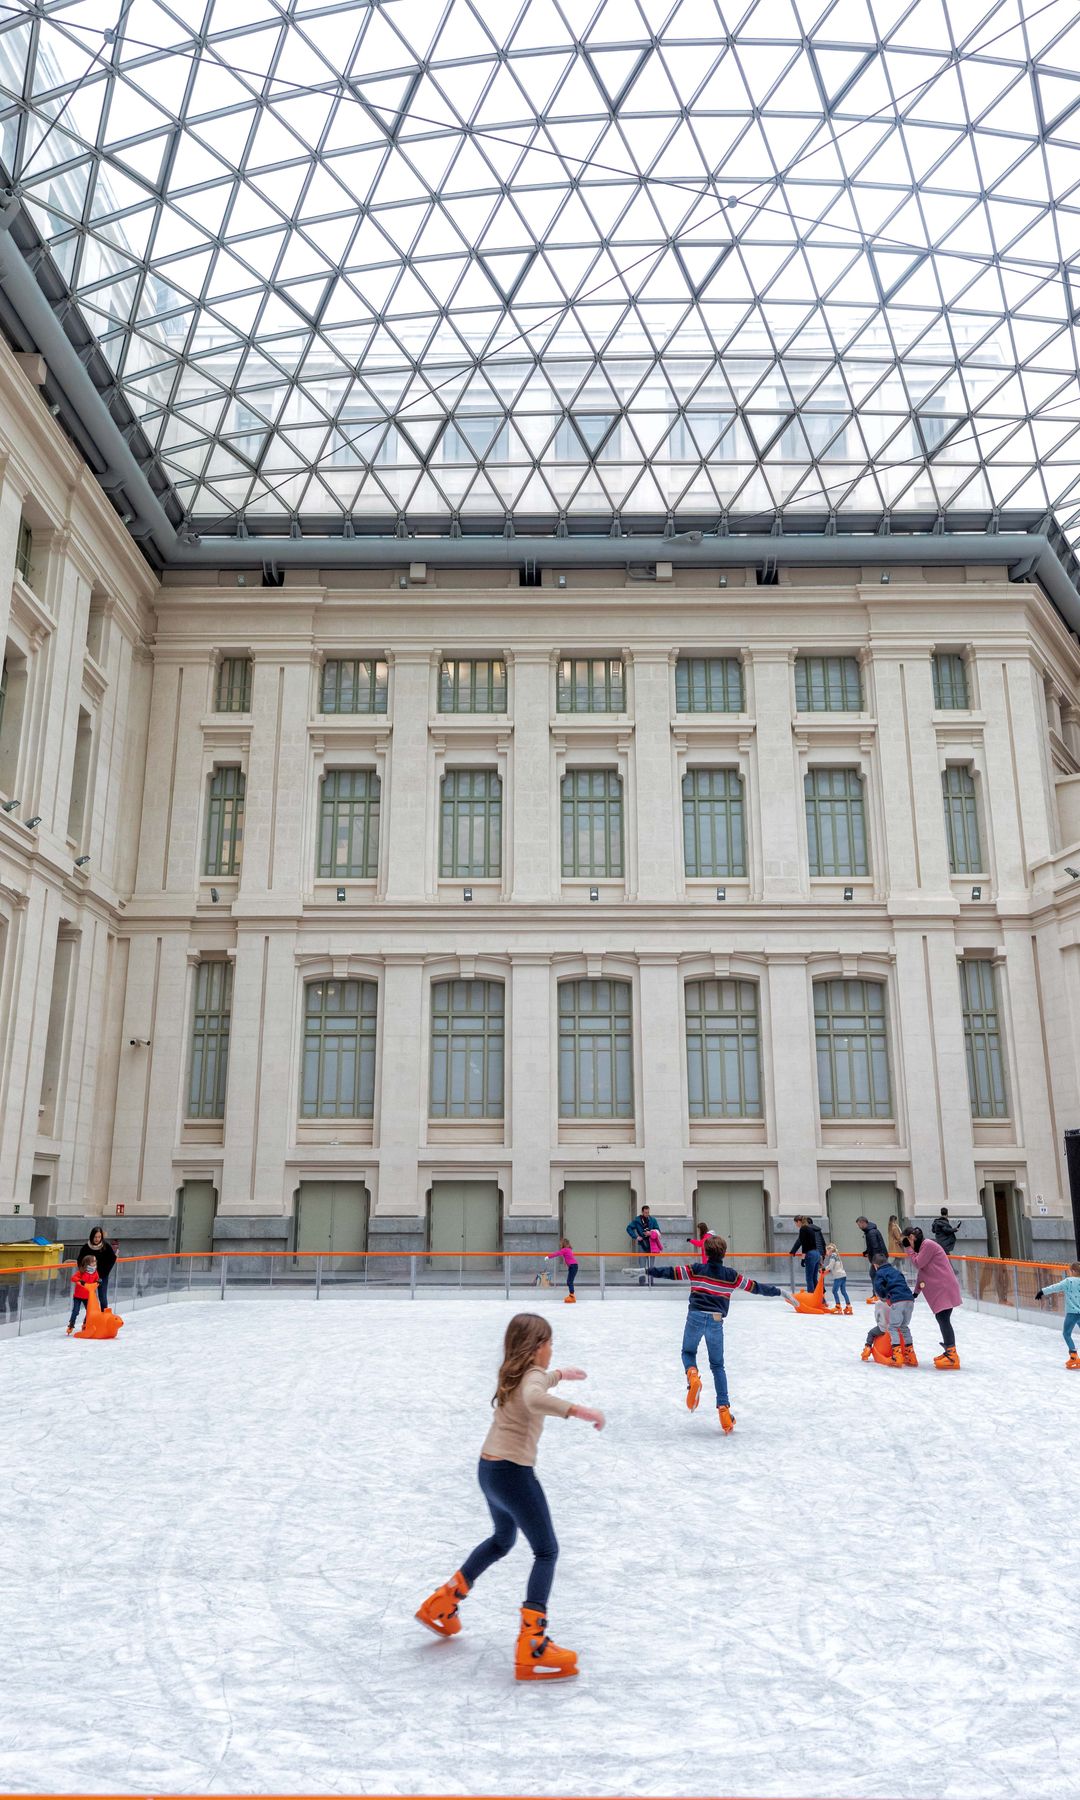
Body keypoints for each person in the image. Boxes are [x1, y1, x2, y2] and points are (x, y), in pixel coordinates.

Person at [415, 1312, 604, 1681]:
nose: (552, 1350)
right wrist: (579, 1411)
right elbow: (535, 1396)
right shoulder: (531, 1379)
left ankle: (442, 1602)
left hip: (489, 1470)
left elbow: (537, 1380)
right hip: (514, 1474)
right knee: (546, 1551)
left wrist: (561, 1374)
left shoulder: (512, 1372)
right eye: (549, 1344)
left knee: (503, 1540)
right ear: (536, 1348)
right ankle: (533, 1642)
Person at [647, 1232, 792, 1432]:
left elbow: (670, 1272)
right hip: (716, 1320)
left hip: (695, 1316)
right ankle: (724, 1411)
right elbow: (756, 1287)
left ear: (705, 1252)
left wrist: (648, 1270)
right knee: (717, 1366)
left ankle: (692, 1376)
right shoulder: (731, 1276)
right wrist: (780, 1291)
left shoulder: (696, 1269)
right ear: (724, 1253)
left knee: (688, 1352)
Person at [902, 1227, 963, 1368]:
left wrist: (909, 1250)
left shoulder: (928, 1244)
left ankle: (952, 1355)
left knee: (943, 1318)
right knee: (942, 1318)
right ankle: (949, 1351)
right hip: (940, 1288)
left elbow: (918, 1263)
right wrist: (916, 1292)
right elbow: (922, 1272)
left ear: (911, 1237)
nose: (905, 1245)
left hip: (944, 1287)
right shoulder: (923, 1248)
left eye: (906, 1241)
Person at [865, 1252, 916, 1366]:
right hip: (909, 1299)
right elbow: (902, 1282)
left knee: (893, 1327)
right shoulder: (896, 1271)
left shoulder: (880, 1273)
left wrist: (884, 1296)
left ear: (875, 1265)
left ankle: (897, 1355)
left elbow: (878, 1287)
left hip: (897, 1300)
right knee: (904, 1327)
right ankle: (911, 1356)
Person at [1035, 1262, 1080, 1369]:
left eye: (1069, 1270)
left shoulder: (1069, 1281)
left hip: (1072, 1314)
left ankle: (1073, 1356)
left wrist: (1042, 1292)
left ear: (1073, 1271)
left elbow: (1055, 1287)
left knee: (1066, 1333)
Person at [77, 1226, 117, 1311]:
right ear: (92, 1236)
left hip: (102, 1277)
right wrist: (83, 1272)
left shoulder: (106, 1246)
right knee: (90, 1297)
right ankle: (92, 1314)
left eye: (99, 1237)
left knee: (102, 1296)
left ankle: (104, 1314)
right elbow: (80, 1260)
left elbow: (112, 1259)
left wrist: (106, 1272)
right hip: (89, 1277)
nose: (97, 1239)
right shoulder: (86, 1247)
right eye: (95, 1237)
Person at [66, 1252, 98, 1336]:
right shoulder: (82, 1272)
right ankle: (71, 1324)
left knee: (89, 1312)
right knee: (76, 1311)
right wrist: (80, 1280)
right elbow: (73, 1278)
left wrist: (99, 1281)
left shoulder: (95, 1272)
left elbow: (97, 1279)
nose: (95, 1262)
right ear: (88, 1263)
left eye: (95, 1261)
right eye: (93, 1261)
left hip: (88, 1296)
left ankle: (85, 1323)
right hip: (78, 1296)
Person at [856, 1215, 887, 1294]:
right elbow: (872, 1246)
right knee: (878, 1275)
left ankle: (877, 1293)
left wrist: (875, 1261)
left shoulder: (871, 1233)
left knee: (874, 1274)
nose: (858, 1227)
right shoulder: (870, 1231)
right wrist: (867, 1252)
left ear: (863, 1223)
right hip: (880, 1257)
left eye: (859, 1225)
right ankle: (878, 1293)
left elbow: (875, 1247)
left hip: (878, 1258)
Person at [790, 1216, 821, 1292]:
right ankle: (819, 1297)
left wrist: (802, 1258)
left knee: (809, 1278)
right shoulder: (810, 1229)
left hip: (810, 1254)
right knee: (814, 1278)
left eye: (795, 1223)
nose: (796, 1225)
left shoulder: (803, 1229)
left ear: (798, 1221)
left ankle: (811, 1296)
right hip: (817, 1253)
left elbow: (804, 1244)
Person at [545, 1237, 579, 1304]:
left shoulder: (564, 1249)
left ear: (563, 1244)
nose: (560, 1245)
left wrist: (548, 1257)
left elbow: (557, 1254)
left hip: (573, 1266)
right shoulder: (569, 1249)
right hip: (574, 1266)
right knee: (569, 1281)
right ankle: (571, 1295)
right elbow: (568, 1257)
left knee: (569, 1282)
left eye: (561, 1244)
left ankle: (572, 1297)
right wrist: (566, 1262)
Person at [824, 1242, 852, 1313]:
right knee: (843, 1291)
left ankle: (838, 1306)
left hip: (838, 1277)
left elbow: (830, 1266)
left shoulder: (833, 1256)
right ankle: (849, 1306)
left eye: (826, 1251)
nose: (826, 1253)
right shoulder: (837, 1255)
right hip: (843, 1275)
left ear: (829, 1250)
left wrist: (824, 1269)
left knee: (834, 1291)